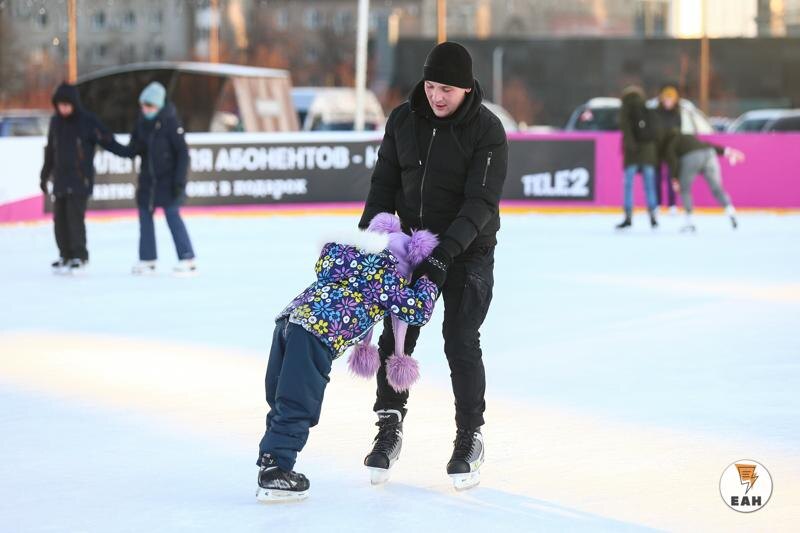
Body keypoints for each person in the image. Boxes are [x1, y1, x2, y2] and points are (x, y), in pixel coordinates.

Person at [357, 41, 508, 490]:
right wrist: (369, 239)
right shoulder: (404, 120)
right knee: (396, 336)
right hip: (412, 248)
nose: (436, 96)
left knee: (460, 340)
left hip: (468, 251)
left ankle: (469, 437)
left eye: (446, 88)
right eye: (429, 85)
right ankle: (388, 426)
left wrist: (446, 254)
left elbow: (480, 202)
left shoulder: (487, 130)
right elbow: (384, 182)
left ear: (465, 88)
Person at [256, 213, 440, 502]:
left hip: (287, 324)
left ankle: (271, 460)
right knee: (298, 402)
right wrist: (427, 281)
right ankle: (277, 471)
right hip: (317, 334)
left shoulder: (346, 259)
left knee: (281, 396)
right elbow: (417, 310)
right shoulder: (386, 277)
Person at [40, 82, 126, 274]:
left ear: (74, 104)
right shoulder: (56, 122)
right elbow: (50, 151)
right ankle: (65, 255)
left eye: (67, 104)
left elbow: (107, 140)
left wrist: (129, 152)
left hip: (80, 180)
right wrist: (44, 175)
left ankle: (80, 256)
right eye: (60, 105)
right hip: (61, 180)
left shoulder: (87, 121)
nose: (63, 108)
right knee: (59, 221)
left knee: (74, 219)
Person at [115, 82, 196, 275]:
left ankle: (188, 258)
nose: (145, 109)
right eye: (143, 105)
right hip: (148, 182)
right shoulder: (142, 123)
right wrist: (108, 142)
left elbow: (183, 154)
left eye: (149, 106)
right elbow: (132, 150)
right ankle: (147, 259)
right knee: (145, 217)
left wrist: (179, 182)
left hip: (169, 182)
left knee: (172, 216)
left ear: (158, 106)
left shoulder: (170, 123)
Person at [662, 130, 744, 232]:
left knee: (685, 189)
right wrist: (727, 151)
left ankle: (689, 222)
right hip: (709, 154)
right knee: (717, 187)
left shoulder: (670, 143)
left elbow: (672, 160)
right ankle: (730, 211)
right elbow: (707, 145)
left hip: (691, 158)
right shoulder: (688, 136)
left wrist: (674, 179)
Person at [616, 85, 659, 230]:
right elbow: (655, 131)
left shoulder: (626, 109)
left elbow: (625, 130)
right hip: (648, 150)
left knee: (628, 185)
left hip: (632, 152)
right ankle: (653, 215)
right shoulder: (647, 108)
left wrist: (630, 146)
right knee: (649, 185)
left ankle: (628, 216)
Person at [654, 85, 682, 212]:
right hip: (658, 149)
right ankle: (658, 203)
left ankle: (672, 204)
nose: (668, 101)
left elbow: (678, 131)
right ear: (662, 99)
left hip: (672, 149)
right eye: (666, 99)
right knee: (657, 178)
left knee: (672, 177)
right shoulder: (657, 112)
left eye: (671, 99)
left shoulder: (677, 113)